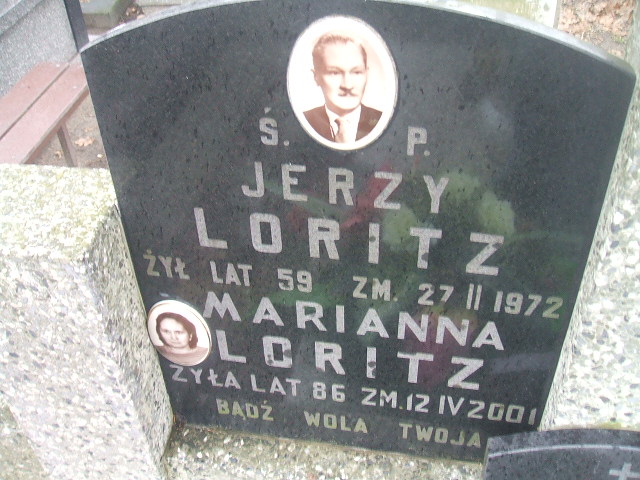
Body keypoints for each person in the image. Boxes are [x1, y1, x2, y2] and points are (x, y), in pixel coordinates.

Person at [304, 32, 382, 144]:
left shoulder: (381, 121)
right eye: (334, 73)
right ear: (316, 77)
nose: (347, 85)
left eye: (356, 72)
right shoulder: (304, 121)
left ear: (367, 74)